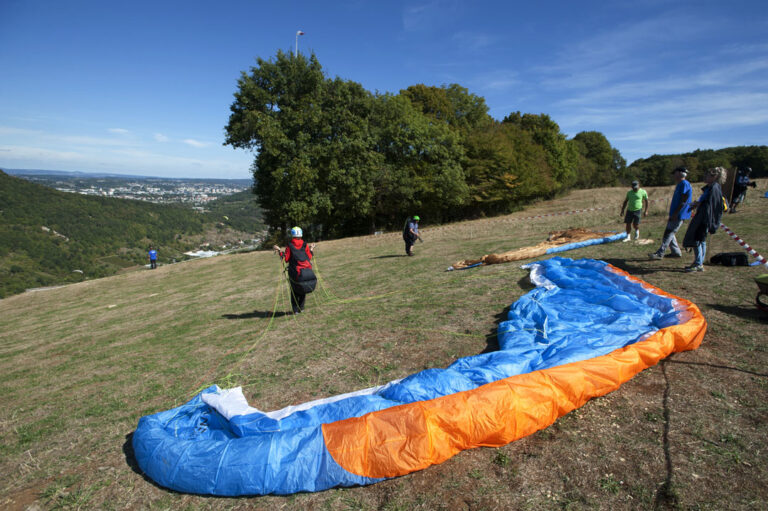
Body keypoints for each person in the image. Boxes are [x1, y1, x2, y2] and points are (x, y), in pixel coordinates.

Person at [682, 167, 725, 272]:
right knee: (701, 240)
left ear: (714, 177)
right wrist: (696, 204)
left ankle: (698, 264)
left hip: (704, 218)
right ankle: (699, 262)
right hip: (702, 216)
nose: (705, 177)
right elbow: (705, 201)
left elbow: (713, 206)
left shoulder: (714, 188)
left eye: (708, 175)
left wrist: (706, 220)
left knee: (697, 239)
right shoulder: (710, 188)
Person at [649, 166, 692, 260]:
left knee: (668, 233)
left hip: (679, 214)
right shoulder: (680, 184)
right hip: (675, 213)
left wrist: (676, 213)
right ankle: (676, 252)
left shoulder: (684, 184)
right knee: (670, 232)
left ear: (681, 173)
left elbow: (683, 200)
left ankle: (660, 253)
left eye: (675, 173)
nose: (674, 175)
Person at [273, 226, 317, 313]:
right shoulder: (305, 244)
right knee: (303, 288)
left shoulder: (290, 245)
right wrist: (311, 248)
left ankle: (295, 310)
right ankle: (302, 308)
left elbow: (286, 258)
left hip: (295, 272)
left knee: (294, 291)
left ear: (292, 234)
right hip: (306, 271)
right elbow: (309, 257)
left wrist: (279, 250)